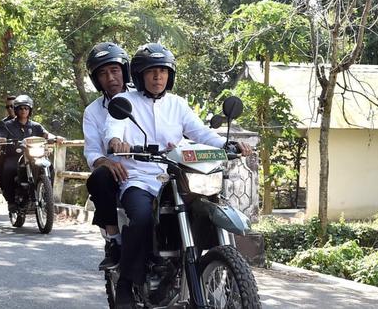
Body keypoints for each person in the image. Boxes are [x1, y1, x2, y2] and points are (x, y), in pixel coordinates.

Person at [104, 43, 253, 308]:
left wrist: (226, 145)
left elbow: (200, 133)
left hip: (175, 175)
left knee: (204, 208)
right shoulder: (123, 102)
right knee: (140, 218)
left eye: (162, 71)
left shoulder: (177, 104)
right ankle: (126, 282)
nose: (158, 76)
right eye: (151, 72)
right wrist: (117, 141)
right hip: (140, 177)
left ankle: (196, 268)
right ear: (140, 76)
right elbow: (113, 128)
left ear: (169, 75)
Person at [83, 42, 131, 269]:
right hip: (115, 172)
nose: (110, 78)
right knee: (99, 178)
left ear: (125, 71)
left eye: (114, 70)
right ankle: (113, 240)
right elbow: (92, 149)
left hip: (152, 168)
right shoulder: (92, 111)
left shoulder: (144, 98)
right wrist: (105, 161)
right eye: (102, 73)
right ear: (96, 80)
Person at [0, 94, 63, 212]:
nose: (23, 111)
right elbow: (0, 136)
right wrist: (1, 140)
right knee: (8, 169)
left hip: (33, 155)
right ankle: (11, 201)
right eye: (20, 108)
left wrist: (56, 137)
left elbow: (46, 134)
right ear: (16, 110)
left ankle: (47, 196)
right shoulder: (6, 125)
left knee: (49, 166)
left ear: (30, 110)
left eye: (26, 108)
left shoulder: (35, 126)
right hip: (15, 156)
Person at [0, 95, 16, 189]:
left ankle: (46, 196)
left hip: (27, 152)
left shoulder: (30, 122)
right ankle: (3, 187)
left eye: (12, 106)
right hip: (7, 152)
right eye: (7, 107)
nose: (10, 109)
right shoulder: (3, 123)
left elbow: (42, 132)